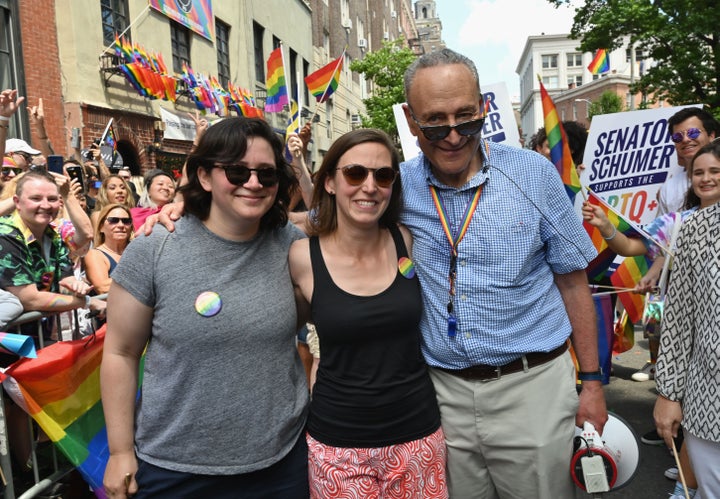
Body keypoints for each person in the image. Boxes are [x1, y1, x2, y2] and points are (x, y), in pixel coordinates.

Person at [399, 48, 607, 498]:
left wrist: (592, 383)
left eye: (466, 118)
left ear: (484, 109)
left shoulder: (533, 174)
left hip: (532, 390)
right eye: (435, 121)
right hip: (441, 397)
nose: (453, 135)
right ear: (411, 121)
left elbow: (573, 282)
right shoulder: (396, 187)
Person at [100, 117, 309, 498]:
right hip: (176, 468)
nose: (253, 183)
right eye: (236, 170)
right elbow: (120, 351)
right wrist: (119, 451)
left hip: (280, 464)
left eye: (267, 174)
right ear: (205, 176)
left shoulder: (291, 244)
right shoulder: (156, 245)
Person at [289, 129, 447, 498]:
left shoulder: (407, 239)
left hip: (417, 437)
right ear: (328, 181)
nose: (370, 186)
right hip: (337, 447)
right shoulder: (300, 257)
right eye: (355, 174)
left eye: (383, 175)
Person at [654, 141, 720, 499]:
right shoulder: (692, 229)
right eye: (700, 172)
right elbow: (678, 321)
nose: (706, 179)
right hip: (710, 400)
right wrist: (668, 394)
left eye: (715, 171)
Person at [657, 107, 719, 217]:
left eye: (693, 133)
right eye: (677, 136)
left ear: (711, 135)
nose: (685, 140)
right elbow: (661, 232)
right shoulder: (668, 189)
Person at [84, 203, 133, 295]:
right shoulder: (95, 255)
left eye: (126, 221)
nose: (121, 225)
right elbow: (103, 288)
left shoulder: (138, 251)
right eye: (113, 220)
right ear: (101, 227)